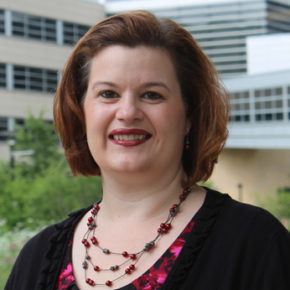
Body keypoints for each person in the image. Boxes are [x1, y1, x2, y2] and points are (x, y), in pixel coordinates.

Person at [5, 10, 290, 290]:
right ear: (81, 113)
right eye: (108, 94)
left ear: (189, 116)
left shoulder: (255, 244)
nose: (128, 112)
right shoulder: (38, 256)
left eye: (152, 95)